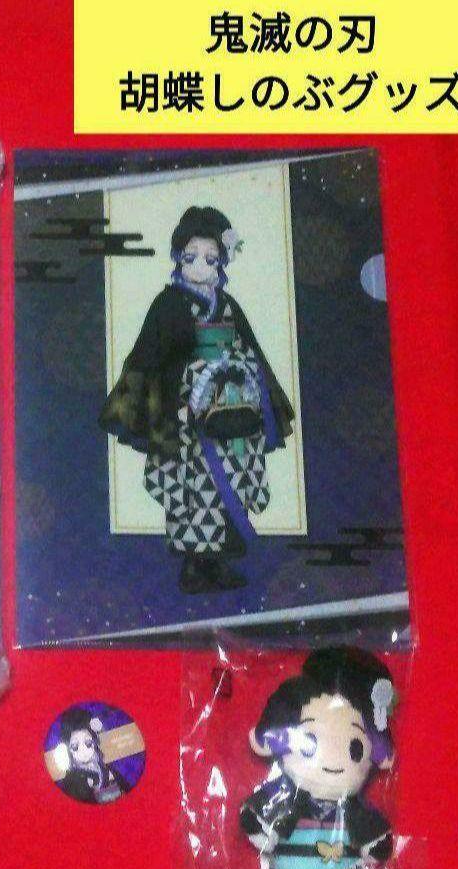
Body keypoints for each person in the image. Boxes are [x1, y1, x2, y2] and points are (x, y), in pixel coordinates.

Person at [99, 206, 295, 594]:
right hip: (188, 416)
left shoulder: (229, 305)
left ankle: (218, 563)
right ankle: (193, 566)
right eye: (191, 257)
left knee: (231, 482)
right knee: (193, 490)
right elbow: (152, 357)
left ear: (221, 261)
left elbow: (250, 351)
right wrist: (186, 383)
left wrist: (240, 372)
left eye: (210, 258)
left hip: (232, 409)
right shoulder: (168, 304)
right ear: (178, 258)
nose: (201, 267)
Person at [240, 647, 395, 869]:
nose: (332, 756)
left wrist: (376, 842)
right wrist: (258, 822)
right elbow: (259, 818)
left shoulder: (351, 808)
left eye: (356, 748)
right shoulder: (287, 796)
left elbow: (372, 833)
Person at [53, 707, 129, 804]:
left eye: (88, 743)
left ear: (94, 743)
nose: (83, 751)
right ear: (68, 750)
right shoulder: (71, 780)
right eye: (75, 746)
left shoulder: (109, 769)